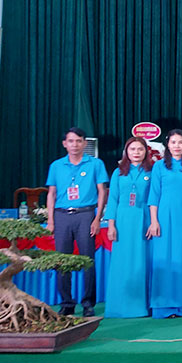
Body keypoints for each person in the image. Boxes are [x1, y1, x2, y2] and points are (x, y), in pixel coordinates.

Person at [46, 127, 108, 317]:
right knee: (62, 261)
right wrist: (51, 220)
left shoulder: (95, 164)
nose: (75, 145)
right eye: (71, 141)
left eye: (79, 141)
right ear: (65, 144)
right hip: (62, 215)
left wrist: (97, 218)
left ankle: (88, 303)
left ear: (84, 143)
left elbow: (102, 191)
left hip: (85, 215)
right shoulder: (56, 165)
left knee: (87, 260)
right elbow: (51, 194)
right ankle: (67, 303)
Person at [147, 129, 182, 318]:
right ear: (167, 145)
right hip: (164, 217)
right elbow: (154, 195)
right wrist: (154, 221)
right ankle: (162, 306)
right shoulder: (159, 166)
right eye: (173, 142)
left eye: (181, 142)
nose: (177, 146)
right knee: (163, 258)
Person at [104, 137, 154, 318]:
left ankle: (142, 306)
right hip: (123, 221)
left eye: (140, 149)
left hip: (144, 220)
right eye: (132, 149)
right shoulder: (118, 172)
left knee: (142, 261)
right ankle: (119, 305)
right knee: (122, 262)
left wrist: (153, 222)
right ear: (126, 151)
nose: (136, 152)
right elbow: (113, 199)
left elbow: (155, 198)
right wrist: (111, 225)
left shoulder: (152, 171)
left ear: (146, 151)